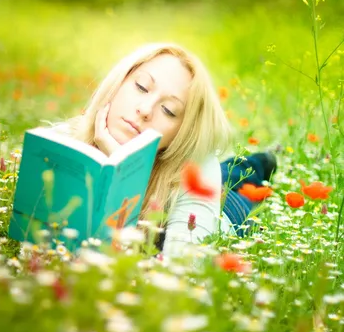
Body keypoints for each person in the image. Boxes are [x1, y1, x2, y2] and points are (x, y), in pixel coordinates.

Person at [49, 42, 277, 258]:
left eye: (168, 110)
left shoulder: (196, 170)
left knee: (242, 183)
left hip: (223, 212)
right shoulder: (63, 141)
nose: (145, 110)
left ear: (181, 132)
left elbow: (182, 269)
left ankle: (264, 160)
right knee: (227, 171)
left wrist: (122, 169)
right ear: (118, 82)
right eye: (141, 87)